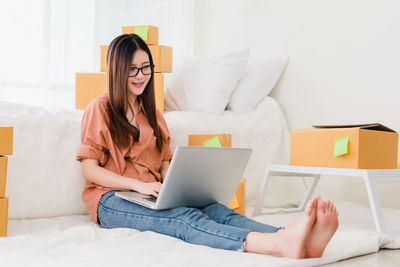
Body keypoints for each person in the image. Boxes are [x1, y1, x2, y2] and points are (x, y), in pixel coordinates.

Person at [76, 33, 339, 259]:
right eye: (132, 69)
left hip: (151, 194)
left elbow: (164, 161)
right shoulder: (100, 108)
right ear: (117, 70)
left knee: (216, 210)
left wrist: (178, 186)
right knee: (185, 220)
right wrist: (139, 185)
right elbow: (90, 170)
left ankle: (292, 236)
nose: (141, 76)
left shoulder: (153, 114)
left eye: (146, 67)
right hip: (112, 199)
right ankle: (276, 245)